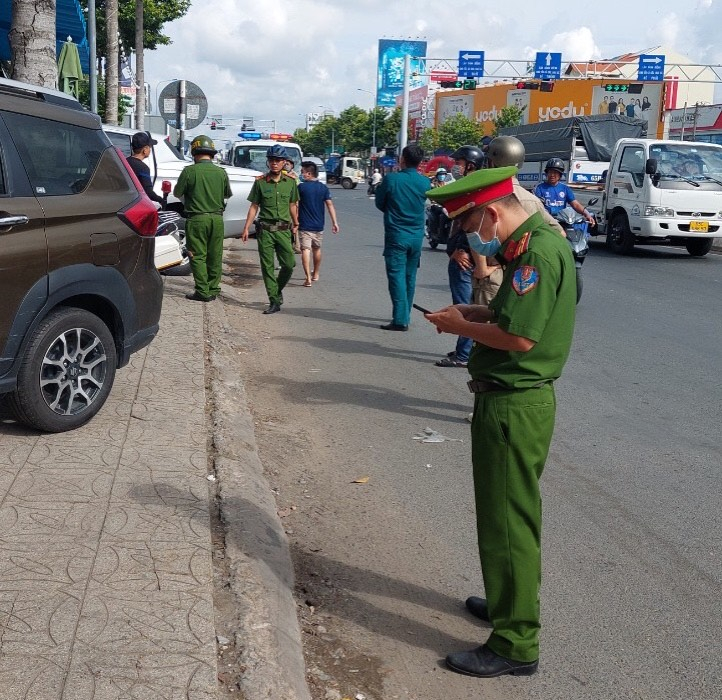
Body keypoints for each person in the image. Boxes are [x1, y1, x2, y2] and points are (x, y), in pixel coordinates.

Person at [424, 166, 577, 679]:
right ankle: (506, 601)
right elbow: (512, 316)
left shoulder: (534, 253)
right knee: (502, 516)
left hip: (515, 403)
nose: (473, 236)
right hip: (510, 401)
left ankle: (515, 642)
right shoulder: (533, 246)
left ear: (491, 213)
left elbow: (522, 340)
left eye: (471, 224)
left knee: (508, 522)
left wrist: (459, 326)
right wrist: (471, 311)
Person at [433, 144, 487, 365]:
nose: (456, 167)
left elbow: (474, 226)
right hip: (463, 254)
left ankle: (464, 354)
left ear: (470, 165)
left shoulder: (475, 189)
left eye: (459, 163)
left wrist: (462, 250)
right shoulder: (470, 186)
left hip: (465, 258)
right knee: (467, 304)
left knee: (464, 307)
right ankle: (463, 350)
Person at [374, 145, 430, 331]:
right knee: (410, 276)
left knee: (396, 276)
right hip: (416, 237)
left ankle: (400, 319)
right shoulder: (424, 182)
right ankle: (405, 315)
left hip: (396, 235)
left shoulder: (392, 179)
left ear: (402, 159)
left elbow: (380, 203)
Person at [241, 144, 300, 314]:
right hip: (265, 230)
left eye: (278, 160)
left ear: (284, 162)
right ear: (268, 162)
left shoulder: (290, 183)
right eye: (271, 160)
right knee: (267, 267)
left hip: (283, 230)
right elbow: (254, 206)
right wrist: (246, 228)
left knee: (289, 264)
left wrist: (296, 223)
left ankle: (276, 289)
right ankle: (274, 300)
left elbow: (292, 205)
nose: (274, 163)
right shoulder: (260, 183)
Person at [173, 134, 232, 302]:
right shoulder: (221, 172)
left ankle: (203, 291)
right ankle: (213, 289)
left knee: (197, 255)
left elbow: (178, 193)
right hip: (217, 219)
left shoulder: (189, 171)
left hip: (197, 219)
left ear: (194, 152)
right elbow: (227, 195)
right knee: (215, 255)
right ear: (211, 153)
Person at [298, 161, 339, 287]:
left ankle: (308, 278)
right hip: (319, 225)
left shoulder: (301, 188)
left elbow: (294, 205)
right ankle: (316, 273)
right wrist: (335, 222)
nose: (301, 174)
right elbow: (330, 205)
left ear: (309, 174)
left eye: (303, 172)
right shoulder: (323, 188)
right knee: (317, 249)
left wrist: (294, 221)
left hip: (304, 224)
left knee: (305, 249)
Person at [534, 158, 596, 226]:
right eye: (550, 172)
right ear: (546, 174)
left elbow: (575, 204)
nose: (552, 175)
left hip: (563, 222)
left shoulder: (565, 188)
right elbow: (537, 207)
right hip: (547, 222)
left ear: (560, 175)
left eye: (555, 172)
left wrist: (587, 214)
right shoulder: (539, 188)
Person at [126, 132, 165, 206]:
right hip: (135, 205)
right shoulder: (143, 168)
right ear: (145, 150)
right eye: (149, 147)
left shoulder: (125, 161)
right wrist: (161, 200)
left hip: (125, 201)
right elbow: (148, 192)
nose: (150, 150)